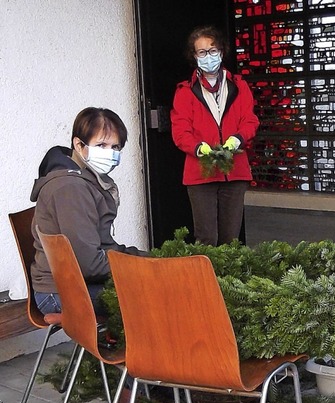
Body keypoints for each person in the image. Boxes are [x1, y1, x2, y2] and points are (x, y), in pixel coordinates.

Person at [30, 107, 145, 316]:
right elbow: (89, 264)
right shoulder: (70, 188)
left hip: (73, 282)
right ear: (78, 144)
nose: (109, 153)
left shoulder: (85, 178)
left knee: (156, 278)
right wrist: (140, 268)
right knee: (158, 292)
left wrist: (147, 258)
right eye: (101, 145)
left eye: (115, 147)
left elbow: (102, 245)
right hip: (61, 291)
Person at [171, 25, 260, 246]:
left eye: (213, 50)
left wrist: (238, 138)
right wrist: (198, 148)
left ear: (221, 51)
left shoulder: (239, 86)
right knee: (207, 238)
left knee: (231, 238)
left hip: (235, 170)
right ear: (194, 56)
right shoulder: (185, 91)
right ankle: (206, 280)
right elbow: (180, 131)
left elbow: (250, 120)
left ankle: (229, 281)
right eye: (202, 52)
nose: (208, 56)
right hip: (201, 173)